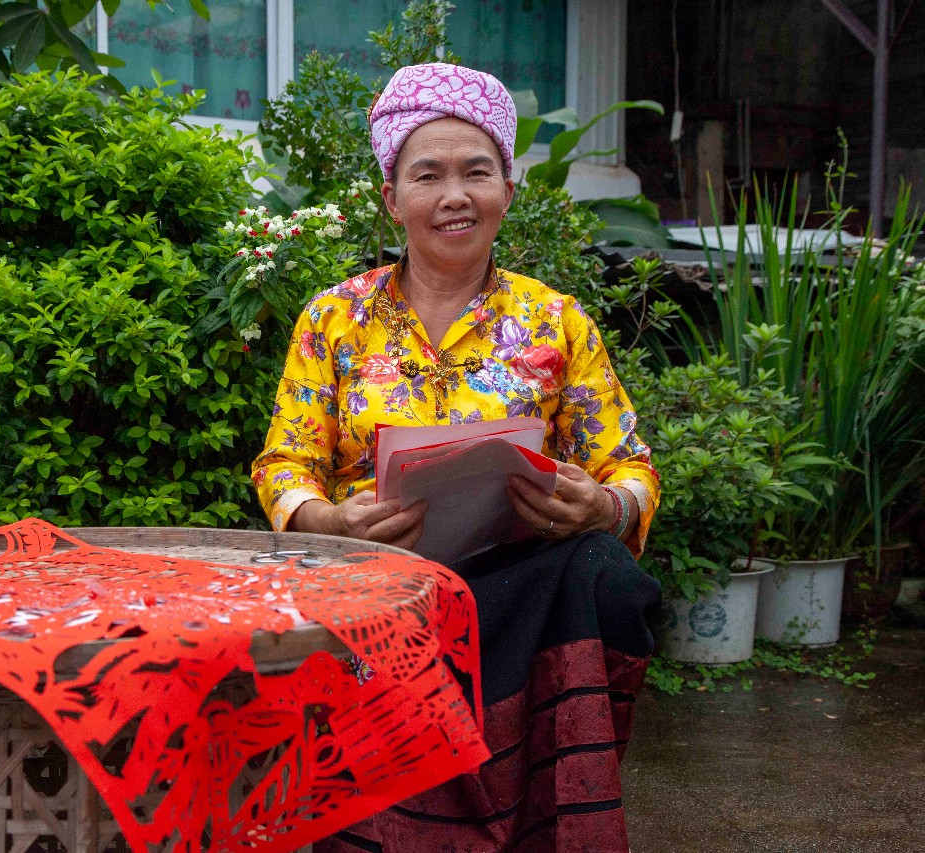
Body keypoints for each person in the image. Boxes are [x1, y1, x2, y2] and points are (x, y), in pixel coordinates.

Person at [251, 62, 662, 853]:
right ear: (391, 198)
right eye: (427, 174)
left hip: (511, 584)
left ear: (507, 188)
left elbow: (631, 464)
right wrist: (331, 518)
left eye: (477, 171)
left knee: (606, 577)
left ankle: (543, 815)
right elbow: (283, 464)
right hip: (372, 583)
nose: (454, 195)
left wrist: (603, 506)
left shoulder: (557, 323)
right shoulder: (334, 318)